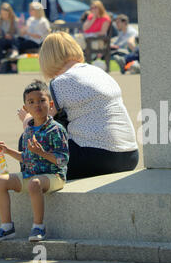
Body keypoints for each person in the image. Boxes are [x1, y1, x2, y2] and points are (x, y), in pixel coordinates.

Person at [37, 31, 139, 180]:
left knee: (33, 142)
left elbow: (43, 123)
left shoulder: (60, 82)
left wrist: (27, 121)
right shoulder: (99, 72)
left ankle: (30, 195)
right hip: (130, 155)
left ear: (47, 58)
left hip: (98, 156)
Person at [0, 80, 69, 244]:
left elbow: (63, 160)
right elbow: (26, 158)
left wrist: (41, 152)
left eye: (41, 101)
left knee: (34, 183)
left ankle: (38, 226)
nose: (37, 105)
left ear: (50, 104)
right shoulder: (28, 131)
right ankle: (7, 227)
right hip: (31, 174)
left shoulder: (56, 129)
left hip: (53, 176)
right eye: (31, 102)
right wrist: (8, 152)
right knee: (1, 181)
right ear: (25, 108)